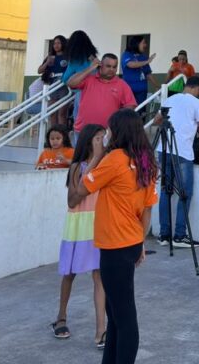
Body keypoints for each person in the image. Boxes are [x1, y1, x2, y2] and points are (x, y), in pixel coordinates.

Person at [68, 110, 157, 364]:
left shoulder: (114, 159)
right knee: (116, 312)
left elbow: (81, 189)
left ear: (117, 131)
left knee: (123, 315)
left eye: (108, 130)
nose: (106, 134)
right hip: (130, 242)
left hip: (115, 245)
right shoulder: (145, 161)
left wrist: (97, 156)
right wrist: (140, 242)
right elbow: (147, 210)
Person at [53, 124, 106, 349]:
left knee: (99, 276)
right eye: (98, 139)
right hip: (78, 225)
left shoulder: (106, 166)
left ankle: (101, 330)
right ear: (88, 141)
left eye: (104, 138)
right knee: (70, 273)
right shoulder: (77, 167)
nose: (102, 142)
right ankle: (61, 317)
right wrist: (95, 161)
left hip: (98, 225)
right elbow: (73, 200)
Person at [153, 76, 199, 248]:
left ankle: (164, 235)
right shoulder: (196, 103)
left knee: (165, 192)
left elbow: (156, 120)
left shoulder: (170, 99)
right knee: (185, 193)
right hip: (182, 152)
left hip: (164, 150)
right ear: (197, 89)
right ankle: (179, 235)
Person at [67, 54, 138, 132]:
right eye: (108, 66)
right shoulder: (89, 79)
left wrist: (118, 121)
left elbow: (130, 105)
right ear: (100, 65)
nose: (111, 69)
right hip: (82, 130)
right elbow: (71, 83)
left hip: (106, 133)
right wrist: (91, 68)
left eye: (114, 67)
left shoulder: (122, 84)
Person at [64, 30, 99, 129]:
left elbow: (65, 79)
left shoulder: (74, 60)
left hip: (81, 92)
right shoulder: (92, 57)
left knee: (79, 123)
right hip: (96, 91)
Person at [39, 35, 70, 124]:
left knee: (62, 114)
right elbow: (39, 71)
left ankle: (61, 132)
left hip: (64, 86)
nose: (56, 45)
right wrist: (47, 62)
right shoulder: (50, 57)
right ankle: (53, 131)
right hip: (52, 86)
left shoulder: (68, 57)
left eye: (58, 43)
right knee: (52, 113)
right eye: (54, 43)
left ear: (63, 44)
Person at [120, 36, 158, 106]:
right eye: (143, 43)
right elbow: (130, 64)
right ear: (137, 43)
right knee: (129, 110)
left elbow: (148, 74)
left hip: (142, 90)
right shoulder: (126, 54)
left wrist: (157, 86)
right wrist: (147, 62)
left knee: (141, 110)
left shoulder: (143, 57)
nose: (145, 45)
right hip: (128, 89)